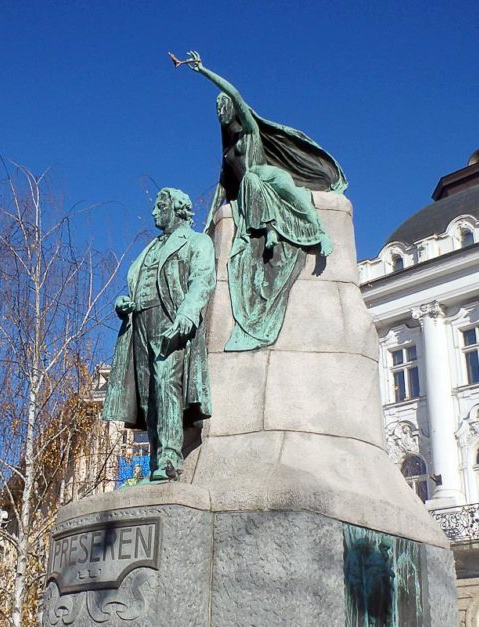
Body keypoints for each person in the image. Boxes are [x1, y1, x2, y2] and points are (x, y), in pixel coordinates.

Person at [183, 51, 348, 351]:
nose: (221, 110)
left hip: (269, 175)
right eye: (217, 107)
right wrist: (206, 229)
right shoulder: (227, 155)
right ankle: (270, 228)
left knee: (293, 193)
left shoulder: (249, 131)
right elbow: (220, 194)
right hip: (253, 188)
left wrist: (204, 71)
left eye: (223, 105)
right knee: (250, 182)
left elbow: (235, 93)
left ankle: (318, 232)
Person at [101, 188, 216, 482]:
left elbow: (202, 280)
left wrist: (187, 315)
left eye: (159, 206)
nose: (154, 212)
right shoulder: (150, 248)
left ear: (177, 209)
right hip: (139, 322)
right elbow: (137, 283)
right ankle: (154, 462)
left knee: (167, 384)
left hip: (170, 320)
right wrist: (122, 302)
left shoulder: (197, 241)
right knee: (148, 395)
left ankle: (169, 459)